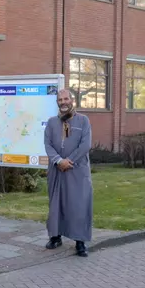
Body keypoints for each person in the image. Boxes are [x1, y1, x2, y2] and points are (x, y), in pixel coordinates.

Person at [43, 88, 93, 257]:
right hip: (57, 170)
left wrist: (69, 161)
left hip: (77, 170)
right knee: (56, 205)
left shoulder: (83, 121)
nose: (63, 102)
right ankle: (55, 237)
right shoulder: (51, 123)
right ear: (57, 102)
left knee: (79, 205)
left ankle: (80, 242)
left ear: (72, 100)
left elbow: (85, 145)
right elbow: (47, 144)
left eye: (66, 99)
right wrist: (58, 161)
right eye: (60, 100)